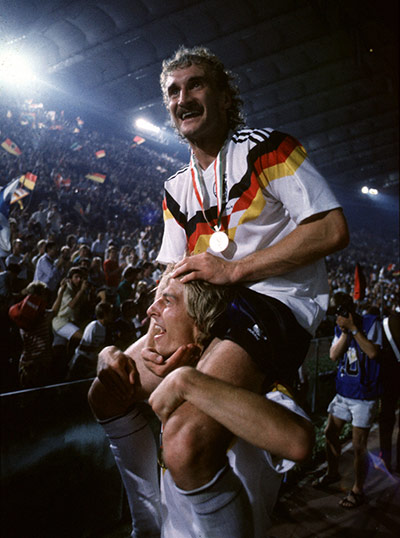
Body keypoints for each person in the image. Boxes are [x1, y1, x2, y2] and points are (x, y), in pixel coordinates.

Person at [97, 46, 349, 535]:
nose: (183, 98)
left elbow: (331, 230)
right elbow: (173, 274)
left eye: (196, 85)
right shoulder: (175, 187)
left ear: (223, 95)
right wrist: (153, 333)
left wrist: (235, 271)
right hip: (207, 308)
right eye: (173, 91)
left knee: (185, 440)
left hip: (272, 307)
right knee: (108, 389)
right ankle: (146, 525)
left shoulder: (266, 149)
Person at [89, 270, 314, 537]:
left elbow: (298, 441)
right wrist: (109, 354)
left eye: (167, 301)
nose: (151, 310)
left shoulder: (251, 387)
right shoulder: (173, 379)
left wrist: (189, 383)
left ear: (201, 321)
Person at [313, 292, 383, 509]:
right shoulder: (339, 328)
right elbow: (334, 356)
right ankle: (332, 472)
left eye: (340, 312)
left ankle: (358, 490)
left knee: (358, 446)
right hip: (344, 393)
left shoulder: (371, 323)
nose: (337, 317)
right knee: (330, 432)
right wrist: (345, 332)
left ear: (350, 309)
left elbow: (372, 353)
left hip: (364, 395)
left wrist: (354, 329)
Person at [67, 301, 114, 380]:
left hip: (91, 362)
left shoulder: (105, 328)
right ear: (105, 314)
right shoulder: (93, 326)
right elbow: (83, 347)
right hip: (81, 361)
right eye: (110, 313)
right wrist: (99, 349)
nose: (112, 315)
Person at [379, 312, 400, 473]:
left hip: (388, 377)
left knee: (386, 420)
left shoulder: (386, 321)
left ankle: (385, 457)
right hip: (390, 377)